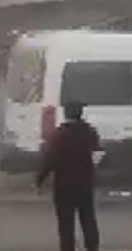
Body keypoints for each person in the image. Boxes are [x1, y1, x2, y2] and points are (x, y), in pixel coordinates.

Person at [36, 102, 101, 251]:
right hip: (85, 184)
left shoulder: (60, 134)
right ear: (81, 113)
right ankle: (92, 247)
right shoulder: (89, 131)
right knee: (88, 219)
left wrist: (40, 180)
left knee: (66, 225)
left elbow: (50, 159)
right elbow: (98, 153)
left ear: (66, 114)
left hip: (63, 186)